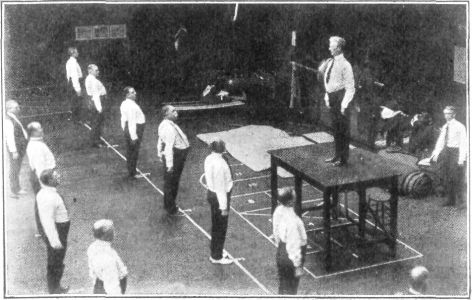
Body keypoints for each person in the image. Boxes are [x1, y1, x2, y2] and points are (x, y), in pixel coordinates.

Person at [323, 36, 356, 166]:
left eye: (331, 45)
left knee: (343, 130)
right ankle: (337, 155)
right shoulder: (331, 62)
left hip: (341, 99)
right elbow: (328, 80)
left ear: (338, 48)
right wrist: (327, 95)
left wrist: (344, 105)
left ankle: (344, 159)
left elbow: (350, 87)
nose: (329, 47)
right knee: (336, 129)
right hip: (332, 97)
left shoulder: (346, 65)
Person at [36, 169, 70, 294]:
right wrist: (55, 241)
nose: (59, 176)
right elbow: (48, 222)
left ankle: (56, 286)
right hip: (57, 232)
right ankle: (54, 290)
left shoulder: (47, 193)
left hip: (59, 231)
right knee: (56, 262)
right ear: (49, 180)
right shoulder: (49, 197)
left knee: (56, 261)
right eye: (56, 176)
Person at [272, 187, 307, 295]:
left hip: (281, 250)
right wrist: (297, 265)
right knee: (291, 289)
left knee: (283, 286)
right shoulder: (293, 221)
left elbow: (276, 231)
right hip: (291, 256)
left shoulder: (278, 211)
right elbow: (293, 244)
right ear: (290, 201)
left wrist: (280, 247)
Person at [430, 106, 467, 207]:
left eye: (448, 114)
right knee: (447, 176)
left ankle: (462, 201)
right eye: (445, 113)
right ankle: (450, 200)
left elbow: (464, 143)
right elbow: (440, 142)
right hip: (447, 152)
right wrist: (435, 153)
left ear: (454, 114)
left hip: (456, 152)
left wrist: (461, 159)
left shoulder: (460, 126)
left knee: (456, 177)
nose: (446, 116)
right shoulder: (445, 126)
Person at [157, 105, 190, 216]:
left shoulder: (168, 124)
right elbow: (168, 147)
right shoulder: (168, 127)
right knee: (172, 183)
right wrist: (170, 165)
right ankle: (171, 208)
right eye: (173, 111)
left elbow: (160, 141)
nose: (176, 112)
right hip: (176, 156)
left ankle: (170, 205)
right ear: (166, 114)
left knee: (172, 182)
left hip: (177, 155)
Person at [204, 139, 233, 265]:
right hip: (219, 196)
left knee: (216, 225)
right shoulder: (220, 164)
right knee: (220, 227)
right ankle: (216, 256)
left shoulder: (209, 158)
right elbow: (221, 188)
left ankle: (216, 250)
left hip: (211, 193)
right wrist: (224, 207)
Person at [26, 122, 56, 237]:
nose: (42, 129)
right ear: (33, 132)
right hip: (42, 176)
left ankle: (43, 229)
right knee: (42, 202)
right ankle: (43, 230)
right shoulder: (36, 147)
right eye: (39, 128)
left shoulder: (37, 143)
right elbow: (40, 167)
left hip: (43, 175)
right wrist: (45, 185)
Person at [87, 219, 128, 295]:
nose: (115, 233)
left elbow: (92, 272)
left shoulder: (93, 247)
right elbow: (113, 288)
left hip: (99, 286)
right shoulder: (107, 258)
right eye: (112, 231)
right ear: (105, 234)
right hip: (108, 289)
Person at [120, 86, 146, 178]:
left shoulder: (124, 103)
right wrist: (133, 136)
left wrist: (124, 129)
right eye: (132, 92)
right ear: (127, 95)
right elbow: (131, 121)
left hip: (128, 128)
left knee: (130, 151)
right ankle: (133, 173)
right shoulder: (131, 106)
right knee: (133, 151)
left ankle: (132, 171)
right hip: (134, 129)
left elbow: (123, 119)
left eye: (134, 91)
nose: (135, 93)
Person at [5, 99, 28, 198]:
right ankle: (15, 189)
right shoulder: (7, 120)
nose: (18, 109)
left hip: (20, 147)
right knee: (14, 168)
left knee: (16, 168)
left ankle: (16, 188)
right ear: (9, 109)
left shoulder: (13, 117)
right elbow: (10, 137)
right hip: (15, 148)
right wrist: (14, 151)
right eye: (16, 107)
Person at [85, 64, 107, 148]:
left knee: (97, 122)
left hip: (94, 101)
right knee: (97, 122)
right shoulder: (92, 80)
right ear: (90, 71)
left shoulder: (90, 79)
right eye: (96, 70)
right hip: (96, 102)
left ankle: (97, 139)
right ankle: (95, 142)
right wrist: (99, 108)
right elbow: (96, 94)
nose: (98, 72)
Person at [65, 46, 83, 122]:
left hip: (71, 83)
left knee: (74, 101)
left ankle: (74, 117)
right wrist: (77, 89)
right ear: (73, 53)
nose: (78, 53)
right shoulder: (72, 63)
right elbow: (74, 76)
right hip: (74, 83)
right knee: (77, 101)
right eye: (76, 52)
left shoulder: (71, 61)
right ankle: (76, 119)